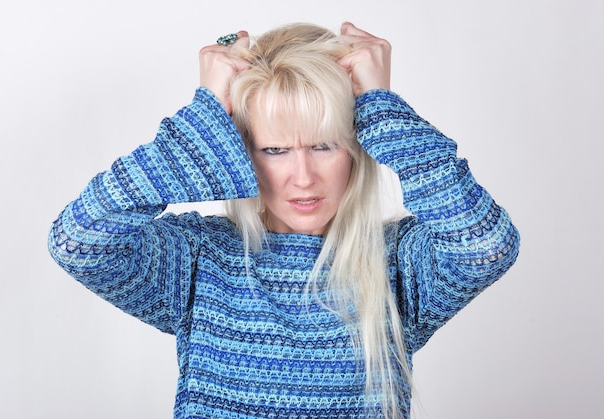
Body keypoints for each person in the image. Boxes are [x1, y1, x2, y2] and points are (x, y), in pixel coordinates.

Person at [48, 21, 520, 419]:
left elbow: (487, 246)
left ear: (358, 148)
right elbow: (78, 242)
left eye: (324, 144)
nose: (303, 177)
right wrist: (202, 120)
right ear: (244, 151)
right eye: (275, 150)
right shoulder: (201, 260)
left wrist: (381, 106)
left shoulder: (397, 263)